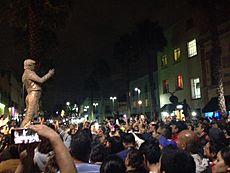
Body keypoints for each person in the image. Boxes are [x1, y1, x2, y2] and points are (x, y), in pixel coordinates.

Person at [21, 59, 55, 127]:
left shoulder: (25, 74)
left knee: (35, 115)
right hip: (33, 94)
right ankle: (20, 130)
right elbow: (41, 80)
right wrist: (49, 74)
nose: (34, 67)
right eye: (33, 65)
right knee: (29, 116)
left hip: (31, 94)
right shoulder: (29, 73)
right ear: (29, 66)